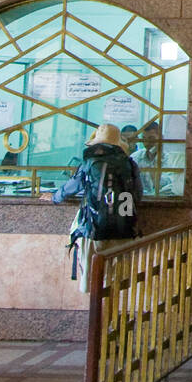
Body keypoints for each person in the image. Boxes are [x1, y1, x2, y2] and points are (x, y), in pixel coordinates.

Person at [44, 123, 142, 293]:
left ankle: (96, 313)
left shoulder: (89, 162)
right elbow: (138, 194)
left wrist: (54, 197)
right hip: (123, 229)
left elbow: (72, 186)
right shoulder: (129, 163)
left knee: (93, 276)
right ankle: (110, 316)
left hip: (95, 229)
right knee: (117, 282)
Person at [131, 120, 185, 197]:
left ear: (161, 138)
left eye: (151, 138)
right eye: (144, 138)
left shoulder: (170, 159)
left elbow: (172, 187)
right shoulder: (136, 157)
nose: (146, 143)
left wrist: (155, 176)